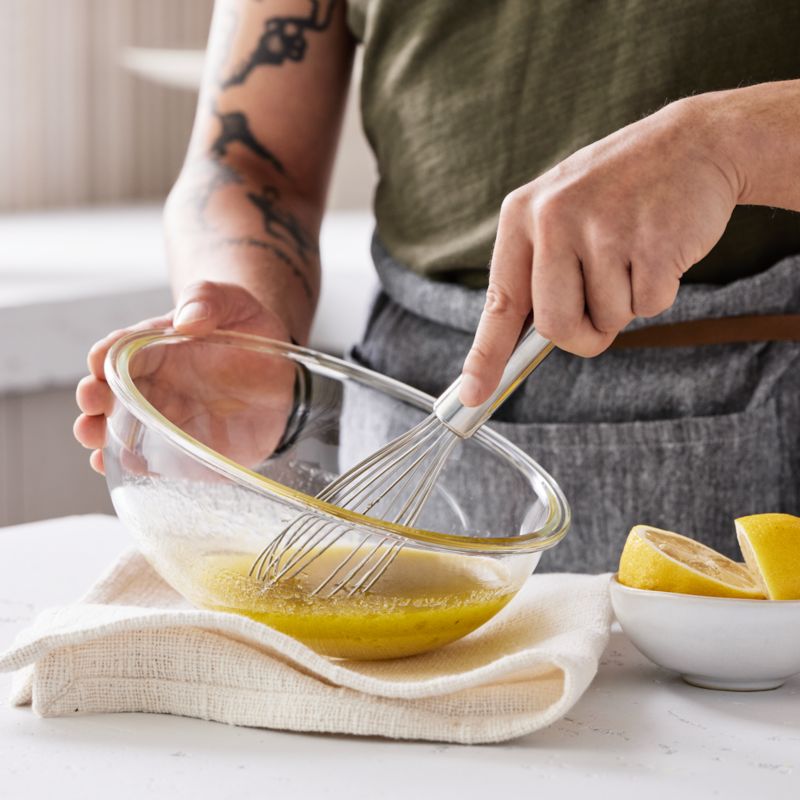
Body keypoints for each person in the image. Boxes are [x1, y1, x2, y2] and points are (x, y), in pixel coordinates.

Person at [75, 0, 800, 571]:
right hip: (405, 417)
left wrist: (728, 139)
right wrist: (241, 321)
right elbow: (246, 162)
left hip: (755, 418)